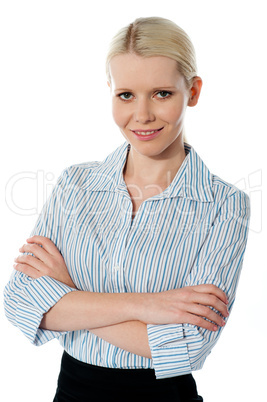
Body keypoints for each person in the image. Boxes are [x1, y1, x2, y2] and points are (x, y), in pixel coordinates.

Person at [4, 17, 250, 402]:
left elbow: (187, 346)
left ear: (194, 91)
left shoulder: (225, 206)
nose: (143, 114)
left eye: (162, 93)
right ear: (111, 93)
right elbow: (22, 304)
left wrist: (69, 295)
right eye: (126, 95)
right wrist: (148, 305)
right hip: (71, 394)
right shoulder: (76, 185)